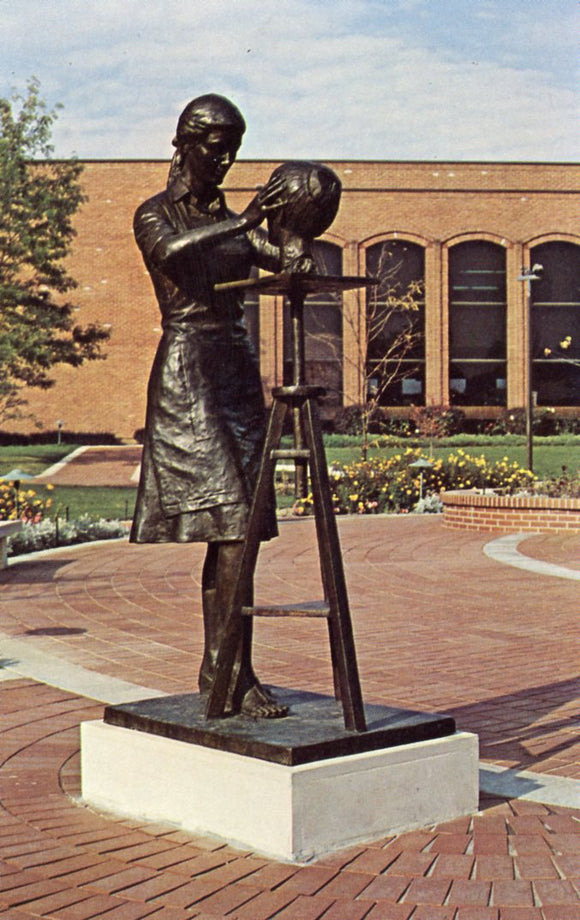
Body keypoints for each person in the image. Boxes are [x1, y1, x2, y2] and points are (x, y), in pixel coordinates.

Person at [131, 94, 288, 718]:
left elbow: (279, 257)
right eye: (217, 148)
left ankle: (223, 669)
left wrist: (297, 226)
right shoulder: (156, 213)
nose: (226, 160)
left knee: (241, 531)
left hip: (236, 370)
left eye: (234, 150)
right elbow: (172, 254)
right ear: (185, 145)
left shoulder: (230, 218)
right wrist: (244, 224)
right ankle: (230, 674)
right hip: (189, 372)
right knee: (231, 526)